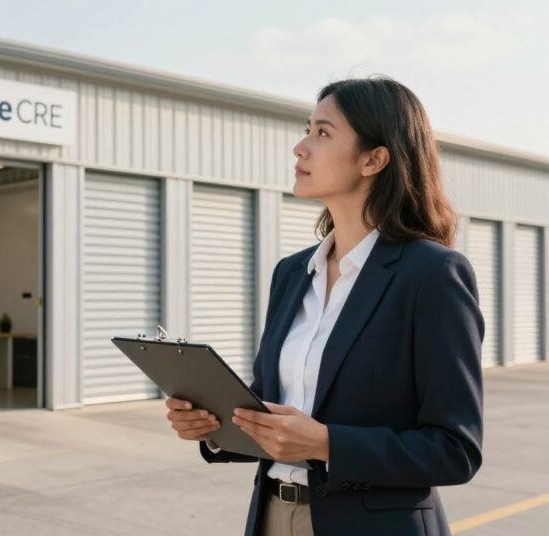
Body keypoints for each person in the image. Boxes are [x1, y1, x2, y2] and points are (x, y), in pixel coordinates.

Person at [165, 77, 484, 536]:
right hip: (273, 515)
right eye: (306, 129)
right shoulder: (292, 273)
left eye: (322, 133)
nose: (300, 147)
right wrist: (214, 428)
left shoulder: (432, 274)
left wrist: (327, 444)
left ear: (373, 159)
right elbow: (272, 408)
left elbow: (455, 449)